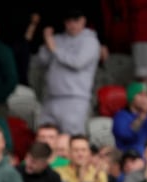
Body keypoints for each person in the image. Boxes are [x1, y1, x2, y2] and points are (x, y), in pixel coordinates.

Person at [36, 8, 101, 136]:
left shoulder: (90, 41)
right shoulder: (57, 39)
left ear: (83, 21)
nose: (72, 24)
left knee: (71, 137)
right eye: (69, 21)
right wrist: (46, 40)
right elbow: (41, 61)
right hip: (52, 96)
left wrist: (54, 48)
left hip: (75, 98)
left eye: (76, 20)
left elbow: (77, 62)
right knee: (45, 136)